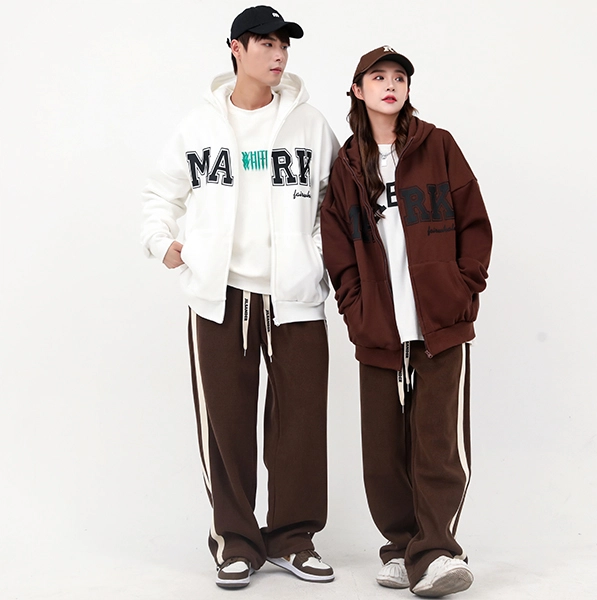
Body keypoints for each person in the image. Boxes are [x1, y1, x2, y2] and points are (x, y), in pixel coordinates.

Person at [141, 5, 338, 589]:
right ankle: (236, 541)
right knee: (225, 425)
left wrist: (316, 259)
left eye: (284, 45)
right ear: (236, 48)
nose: (279, 55)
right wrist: (162, 242)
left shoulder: (310, 125)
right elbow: (161, 193)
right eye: (266, 43)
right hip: (219, 296)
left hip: (295, 297)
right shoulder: (198, 127)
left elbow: (335, 204)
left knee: (301, 423)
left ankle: (294, 539)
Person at [321, 46, 492, 597]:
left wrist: (463, 289)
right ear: (358, 90)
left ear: (409, 89)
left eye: (399, 77)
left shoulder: (438, 146)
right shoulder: (348, 164)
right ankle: (400, 547)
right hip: (380, 328)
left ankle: (437, 551)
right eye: (378, 77)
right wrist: (356, 309)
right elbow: (337, 247)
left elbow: (474, 222)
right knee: (383, 453)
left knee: (437, 444)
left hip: (439, 324)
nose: (390, 85)